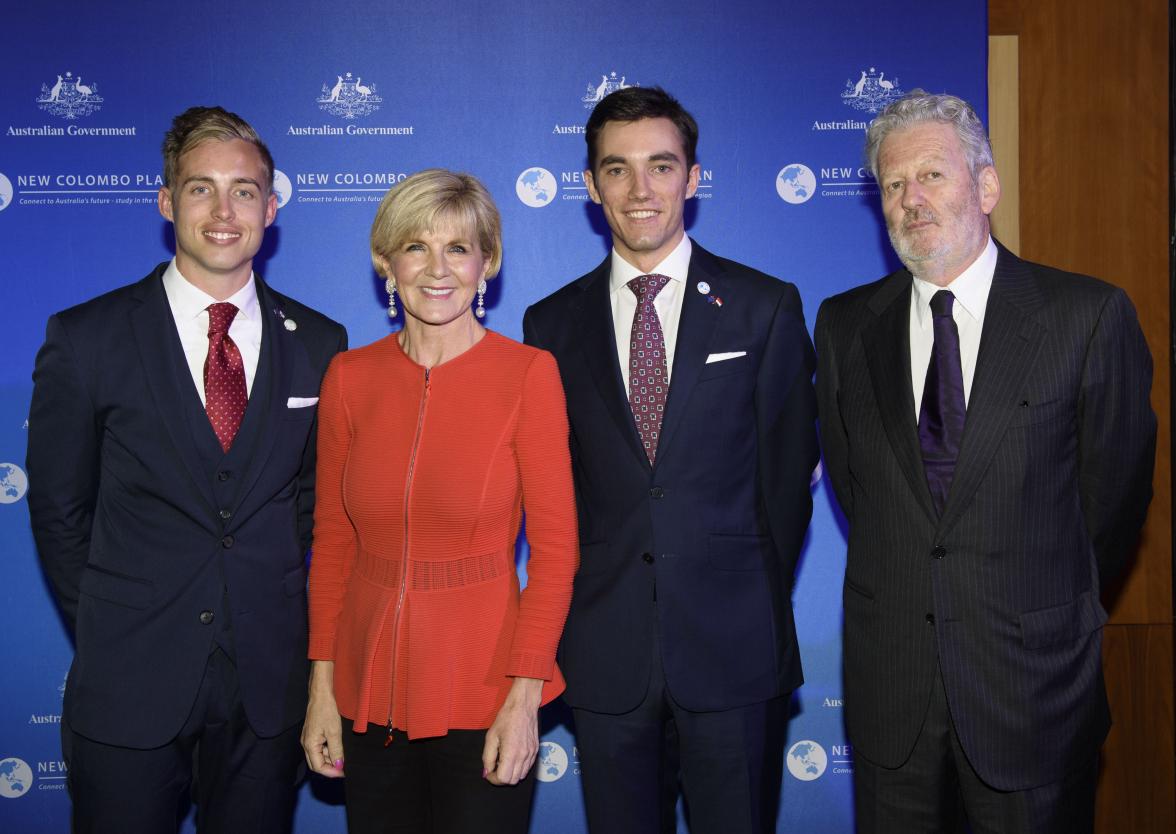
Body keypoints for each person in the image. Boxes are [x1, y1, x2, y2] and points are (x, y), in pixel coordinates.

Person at [815, 90, 1156, 833]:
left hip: (1030, 692)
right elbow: (859, 490)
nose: (911, 200)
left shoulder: (1084, 317)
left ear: (987, 186)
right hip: (892, 695)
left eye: (932, 175)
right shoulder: (844, 326)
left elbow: (1113, 503)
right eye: (894, 184)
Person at [26, 106, 348, 833]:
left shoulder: (322, 342)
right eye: (201, 189)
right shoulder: (87, 338)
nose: (224, 210)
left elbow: (310, 507)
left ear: (271, 206)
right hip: (128, 682)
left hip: (267, 690)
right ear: (167, 202)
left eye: (244, 190)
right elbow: (58, 511)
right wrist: (119, 620)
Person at [523, 87, 818, 834]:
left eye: (661, 166)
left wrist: (743, 594)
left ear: (692, 177)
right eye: (617, 170)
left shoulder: (764, 306)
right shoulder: (550, 323)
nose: (641, 189)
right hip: (604, 652)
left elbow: (787, 484)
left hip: (735, 648)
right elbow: (558, 490)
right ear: (591, 187)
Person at [301, 169, 578, 834]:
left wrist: (525, 696)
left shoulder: (527, 375)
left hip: (484, 692)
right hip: (366, 694)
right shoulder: (349, 377)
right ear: (385, 262)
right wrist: (321, 690)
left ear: (488, 263)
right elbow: (334, 544)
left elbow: (557, 551)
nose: (437, 268)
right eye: (416, 246)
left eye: (458, 248)